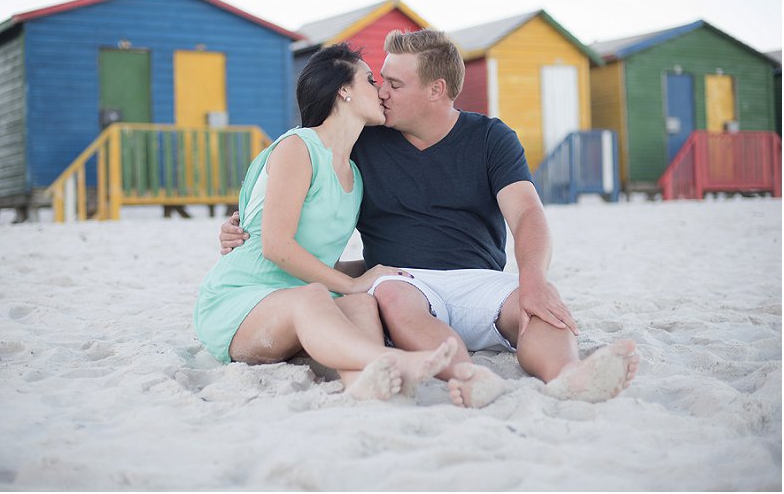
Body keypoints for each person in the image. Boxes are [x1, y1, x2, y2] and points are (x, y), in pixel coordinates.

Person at [220, 30, 639, 408]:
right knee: (397, 300)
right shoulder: (363, 139)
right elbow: (296, 190)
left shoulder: (490, 138)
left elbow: (527, 211)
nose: (381, 92)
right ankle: (467, 374)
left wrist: (533, 278)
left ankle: (569, 376)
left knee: (539, 305)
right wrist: (243, 229)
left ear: (436, 90)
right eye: (378, 80)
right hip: (402, 279)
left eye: (395, 84)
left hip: (479, 277)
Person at [195, 43, 458, 401]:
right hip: (240, 302)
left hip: (298, 299)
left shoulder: (355, 175)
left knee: (362, 303)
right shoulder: (298, 147)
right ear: (343, 90)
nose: (380, 90)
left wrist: (372, 269)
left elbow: (318, 262)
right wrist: (352, 284)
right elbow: (276, 246)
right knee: (321, 295)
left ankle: (363, 382)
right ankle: (393, 360)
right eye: (370, 80)